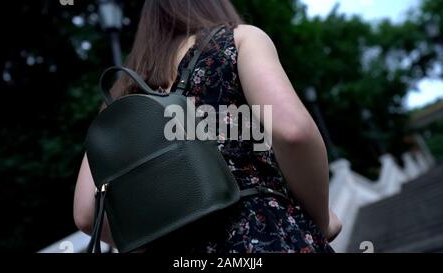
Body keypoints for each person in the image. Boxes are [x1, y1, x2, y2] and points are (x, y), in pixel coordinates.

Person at [73, 0, 342, 253]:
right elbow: (293, 132)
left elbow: (86, 212)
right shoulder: (237, 39)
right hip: (259, 233)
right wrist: (320, 219)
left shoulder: (122, 93)